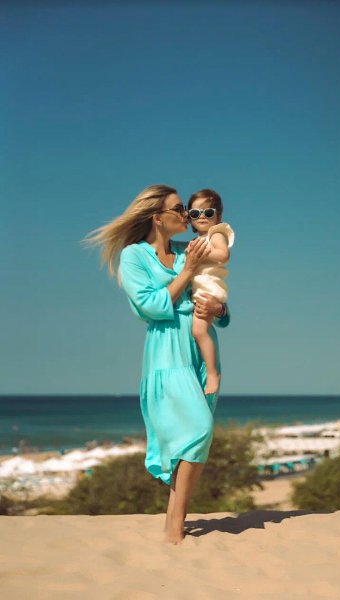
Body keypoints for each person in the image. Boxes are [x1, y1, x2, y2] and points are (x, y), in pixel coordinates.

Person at [81, 184, 230, 545]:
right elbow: (149, 307)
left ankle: (174, 519)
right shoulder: (134, 256)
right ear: (157, 218)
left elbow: (214, 293)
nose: (186, 215)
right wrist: (187, 271)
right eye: (179, 209)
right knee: (197, 430)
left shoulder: (188, 248)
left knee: (194, 442)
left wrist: (219, 309)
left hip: (200, 346)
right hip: (166, 351)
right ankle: (174, 523)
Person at [186, 189, 235, 395]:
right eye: (195, 213)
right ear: (189, 218)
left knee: (199, 331)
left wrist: (199, 255)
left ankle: (212, 373)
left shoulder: (216, 234)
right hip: (202, 288)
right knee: (198, 331)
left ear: (218, 216)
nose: (202, 217)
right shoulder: (198, 240)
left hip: (209, 290)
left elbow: (223, 255)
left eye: (208, 212)